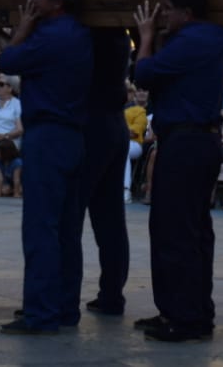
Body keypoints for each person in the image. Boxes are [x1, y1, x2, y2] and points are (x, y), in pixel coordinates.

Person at [130, 0, 223, 344]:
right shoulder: (209, 36)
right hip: (196, 141)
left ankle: (185, 317)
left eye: (169, 9)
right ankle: (184, 310)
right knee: (190, 229)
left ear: (187, 12)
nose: (162, 15)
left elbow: (143, 74)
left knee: (176, 230)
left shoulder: (192, 40)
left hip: (187, 142)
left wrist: (144, 37)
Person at [0, 0, 92, 336]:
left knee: (40, 228)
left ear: (57, 0)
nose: (32, 0)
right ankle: (65, 306)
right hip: (73, 137)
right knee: (67, 228)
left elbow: (7, 62)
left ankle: (41, 311)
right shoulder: (80, 33)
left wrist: (20, 30)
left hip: (47, 136)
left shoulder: (50, 35)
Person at [74, 21, 135, 320]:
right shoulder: (119, 35)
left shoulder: (88, 35)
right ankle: (111, 294)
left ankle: (62, 295)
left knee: (70, 215)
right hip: (114, 123)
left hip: (92, 125)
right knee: (110, 218)